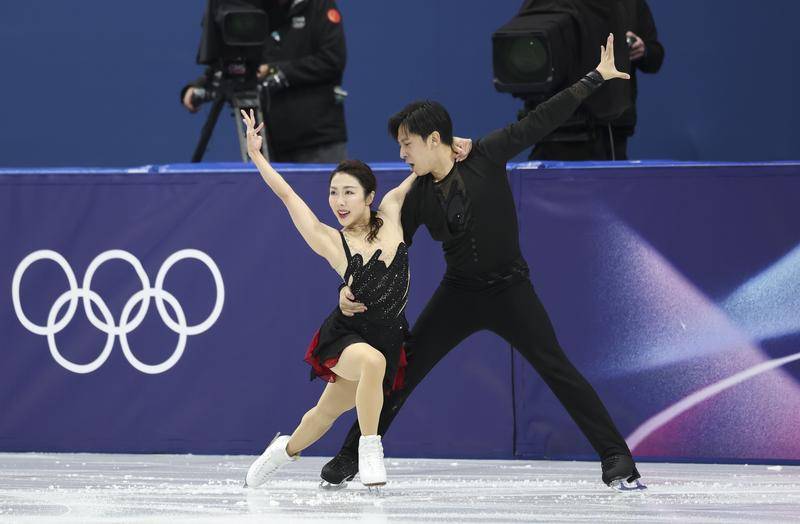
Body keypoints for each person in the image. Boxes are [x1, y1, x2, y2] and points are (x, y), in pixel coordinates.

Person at [322, 34, 646, 491]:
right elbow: (379, 252)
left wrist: (595, 77)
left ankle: (617, 458)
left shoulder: (487, 153)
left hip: (511, 289)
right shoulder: (415, 197)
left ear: (434, 140)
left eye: (407, 144)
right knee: (402, 370)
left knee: (557, 368)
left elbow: (542, 118)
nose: (402, 154)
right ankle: (349, 455)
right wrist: (348, 288)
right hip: (459, 294)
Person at [238, 110, 473, 489]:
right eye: (333, 192)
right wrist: (256, 155)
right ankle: (370, 448)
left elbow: (426, 164)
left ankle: (281, 451)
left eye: (348, 192)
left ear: (369, 197)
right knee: (371, 362)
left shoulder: (393, 211)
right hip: (348, 337)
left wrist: (452, 143)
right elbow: (287, 194)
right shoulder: (333, 241)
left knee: (321, 415)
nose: (339, 201)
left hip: (388, 338)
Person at [182, 0, 349, 162]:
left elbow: (332, 59)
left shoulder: (319, 5)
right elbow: (240, 59)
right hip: (272, 139)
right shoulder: (258, 8)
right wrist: (201, 85)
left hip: (319, 139)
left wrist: (276, 70)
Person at [531, 0, 664, 160]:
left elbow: (655, 57)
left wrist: (644, 50)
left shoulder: (632, 4)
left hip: (614, 128)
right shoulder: (548, 4)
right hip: (561, 127)